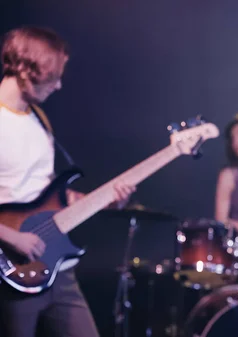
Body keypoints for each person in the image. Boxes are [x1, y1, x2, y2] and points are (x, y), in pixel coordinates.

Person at [0, 26, 136, 337]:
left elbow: (45, 195)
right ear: (23, 67)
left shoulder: (38, 119)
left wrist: (106, 200)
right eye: (52, 75)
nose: (59, 85)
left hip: (58, 269)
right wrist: (12, 237)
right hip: (13, 270)